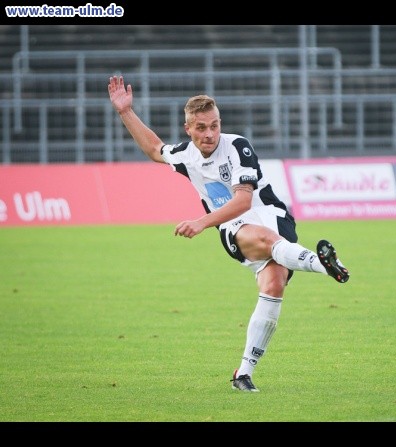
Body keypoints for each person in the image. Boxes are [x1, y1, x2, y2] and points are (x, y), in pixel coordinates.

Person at [107, 76, 350, 392]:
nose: (210, 134)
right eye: (202, 128)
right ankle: (325, 265)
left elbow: (244, 200)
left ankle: (243, 374)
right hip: (233, 226)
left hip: (270, 214)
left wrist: (201, 222)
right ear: (189, 130)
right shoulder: (185, 156)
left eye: (214, 125)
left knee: (274, 284)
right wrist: (125, 112)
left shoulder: (237, 146)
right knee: (264, 244)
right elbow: (155, 149)